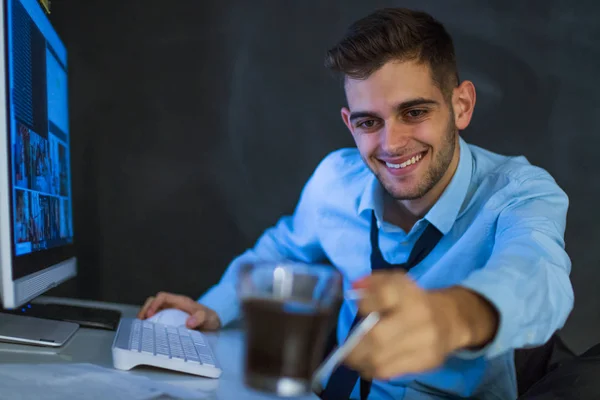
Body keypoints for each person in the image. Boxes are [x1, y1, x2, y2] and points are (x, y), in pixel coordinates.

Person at [138, 7, 574, 400]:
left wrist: (451, 317)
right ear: (350, 124)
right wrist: (213, 308)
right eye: (369, 122)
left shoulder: (519, 192)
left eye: (415, 112)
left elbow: (540, 274)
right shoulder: (335, 180)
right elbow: (282, 251)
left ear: (461, 106)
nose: (391, 144)